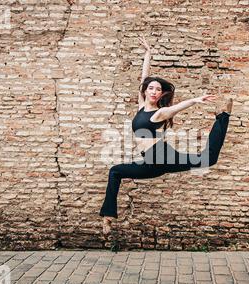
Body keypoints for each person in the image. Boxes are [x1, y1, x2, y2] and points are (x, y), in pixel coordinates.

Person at [100, 36, 233, 235]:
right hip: (151, 166)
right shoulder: (140, 107)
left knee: (208, 159)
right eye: (151, 88)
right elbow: (143, 77)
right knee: (115, 171)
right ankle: (108, 217)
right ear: (145, 91)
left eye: (158, 90)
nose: (154, 91)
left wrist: (196, 100)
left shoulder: (159, 113)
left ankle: (223, 116)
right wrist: (148, 54)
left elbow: (178, 107)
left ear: (161, 95)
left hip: (162, 157)